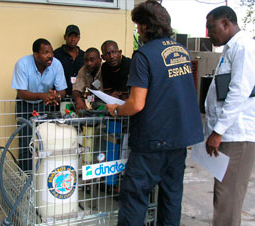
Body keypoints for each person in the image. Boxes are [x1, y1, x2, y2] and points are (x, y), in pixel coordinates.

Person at [106, 1, 204, 225]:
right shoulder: (181, 51)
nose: (138, 31)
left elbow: (136, 104)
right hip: (179, 139)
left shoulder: (143, 55)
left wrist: (116, 109)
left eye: (139, 26)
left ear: (146, 27)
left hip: (152, 141)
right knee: (171, 197)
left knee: (134, 197)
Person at [205, 6, 255, 226]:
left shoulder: (243, 47)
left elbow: (238, 92)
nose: (209, 33)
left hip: (238, 135)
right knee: (222, 194)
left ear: (226, 23)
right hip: (228, 135)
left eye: (211, 27)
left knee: (229, 197)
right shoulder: (230, 48)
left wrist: (218, 131)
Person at [11, 38, 67, 171]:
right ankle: (26, 179)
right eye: (46, 52)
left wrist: (56, 97)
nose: (50, 56)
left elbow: (62, 91)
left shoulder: (56, 64)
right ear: (35, 55)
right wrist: (43, 95)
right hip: (25, 104)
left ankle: (42, 176)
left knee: (44, 140)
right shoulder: (22, 64)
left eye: (51, 52)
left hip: (45, 104)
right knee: (26, 143)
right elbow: (22, 93)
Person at [54, 24, 85, 96]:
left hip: (80, 97)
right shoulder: (56, 55)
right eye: (70, 36)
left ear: (79, 38)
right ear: (65, 37)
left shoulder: (84, 56)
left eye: (75, 36)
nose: (73, 39)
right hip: (61, 97)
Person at [72, 47, 102, 113]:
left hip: (108, 104)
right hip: (93, 102)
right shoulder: (83, 70)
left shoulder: (105, 69)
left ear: (100, 60)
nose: (88, 63)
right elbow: (76, 89)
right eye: (86, 60)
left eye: (92, 60)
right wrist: (78, 100)